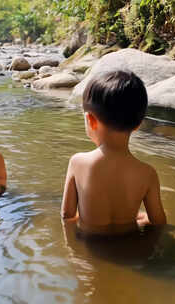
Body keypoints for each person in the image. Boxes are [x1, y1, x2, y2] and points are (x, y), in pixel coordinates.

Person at [61, 70, 167, 235]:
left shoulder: (78, 163)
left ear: (91, 120)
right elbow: (158, 222)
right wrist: (140, 218)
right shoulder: (147, 173)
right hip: (130, 246)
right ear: (138, 125)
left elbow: (67, 216)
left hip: (90, 246)